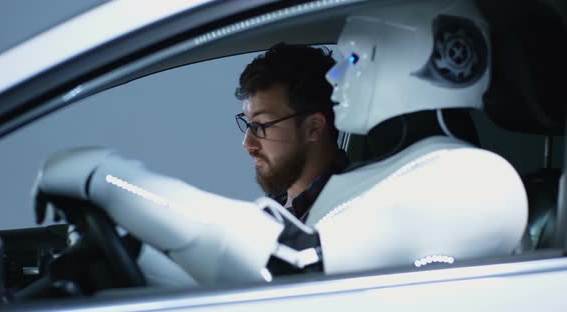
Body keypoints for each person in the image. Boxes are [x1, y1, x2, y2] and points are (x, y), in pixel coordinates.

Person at [33, 0, 528, 287]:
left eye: (352, 59)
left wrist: (112, 179)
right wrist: (134, 255)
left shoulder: (477, 181)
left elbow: (290, 263)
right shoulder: (377, 181)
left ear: (414, 61)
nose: (336, 78)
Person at [234, 43, 349, 222]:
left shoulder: (349, 212)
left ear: (314, 128)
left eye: (262, 125)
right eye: (249, 124)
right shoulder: (269, 212)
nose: (247, 144)